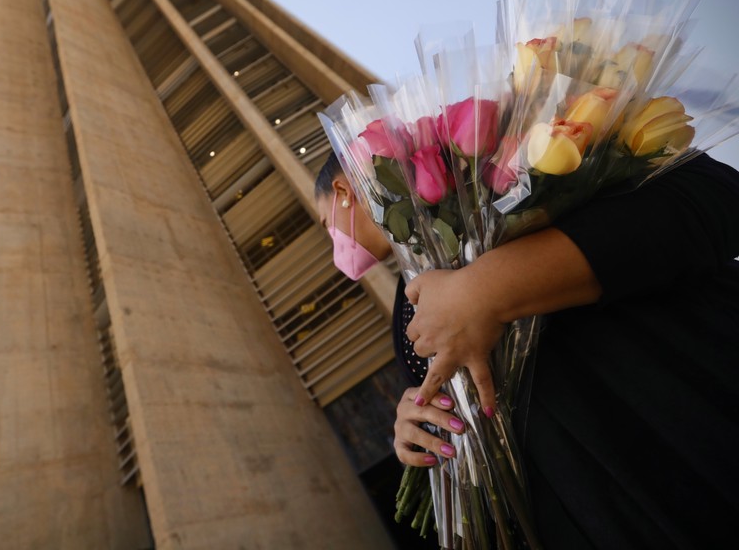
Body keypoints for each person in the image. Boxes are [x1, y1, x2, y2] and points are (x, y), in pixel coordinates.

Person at [314, 149, 739, 548]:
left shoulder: (517, 163)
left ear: (343, 193)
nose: (333, 242)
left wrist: (491, 289)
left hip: (690, 432)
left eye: (324, 225)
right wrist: (419, 426)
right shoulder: (407, 305)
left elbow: (711, 195)